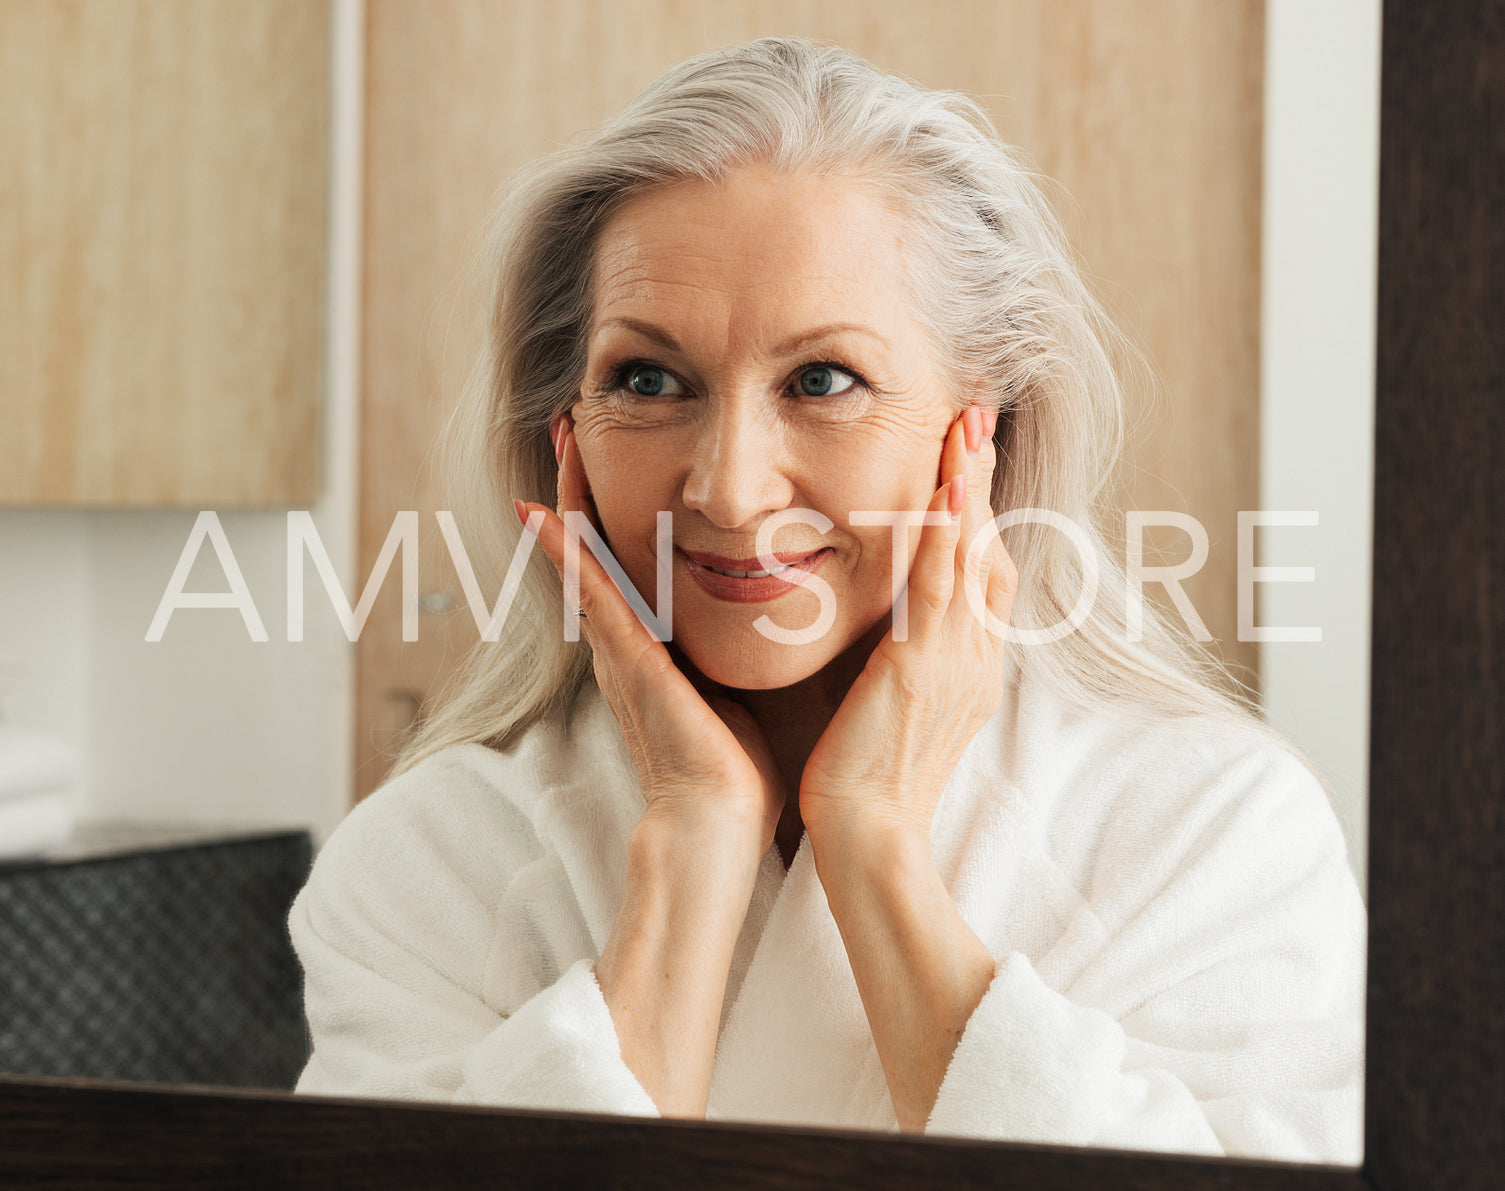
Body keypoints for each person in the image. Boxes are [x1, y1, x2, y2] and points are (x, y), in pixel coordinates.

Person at [288, 37, 1365, 1163]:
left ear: (978, 433)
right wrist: (692, 856)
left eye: (822, 381)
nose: (728, 488)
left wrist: (877, 846)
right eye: (647, 381)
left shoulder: (1209, 829)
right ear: (562, 436)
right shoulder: (428, 854)